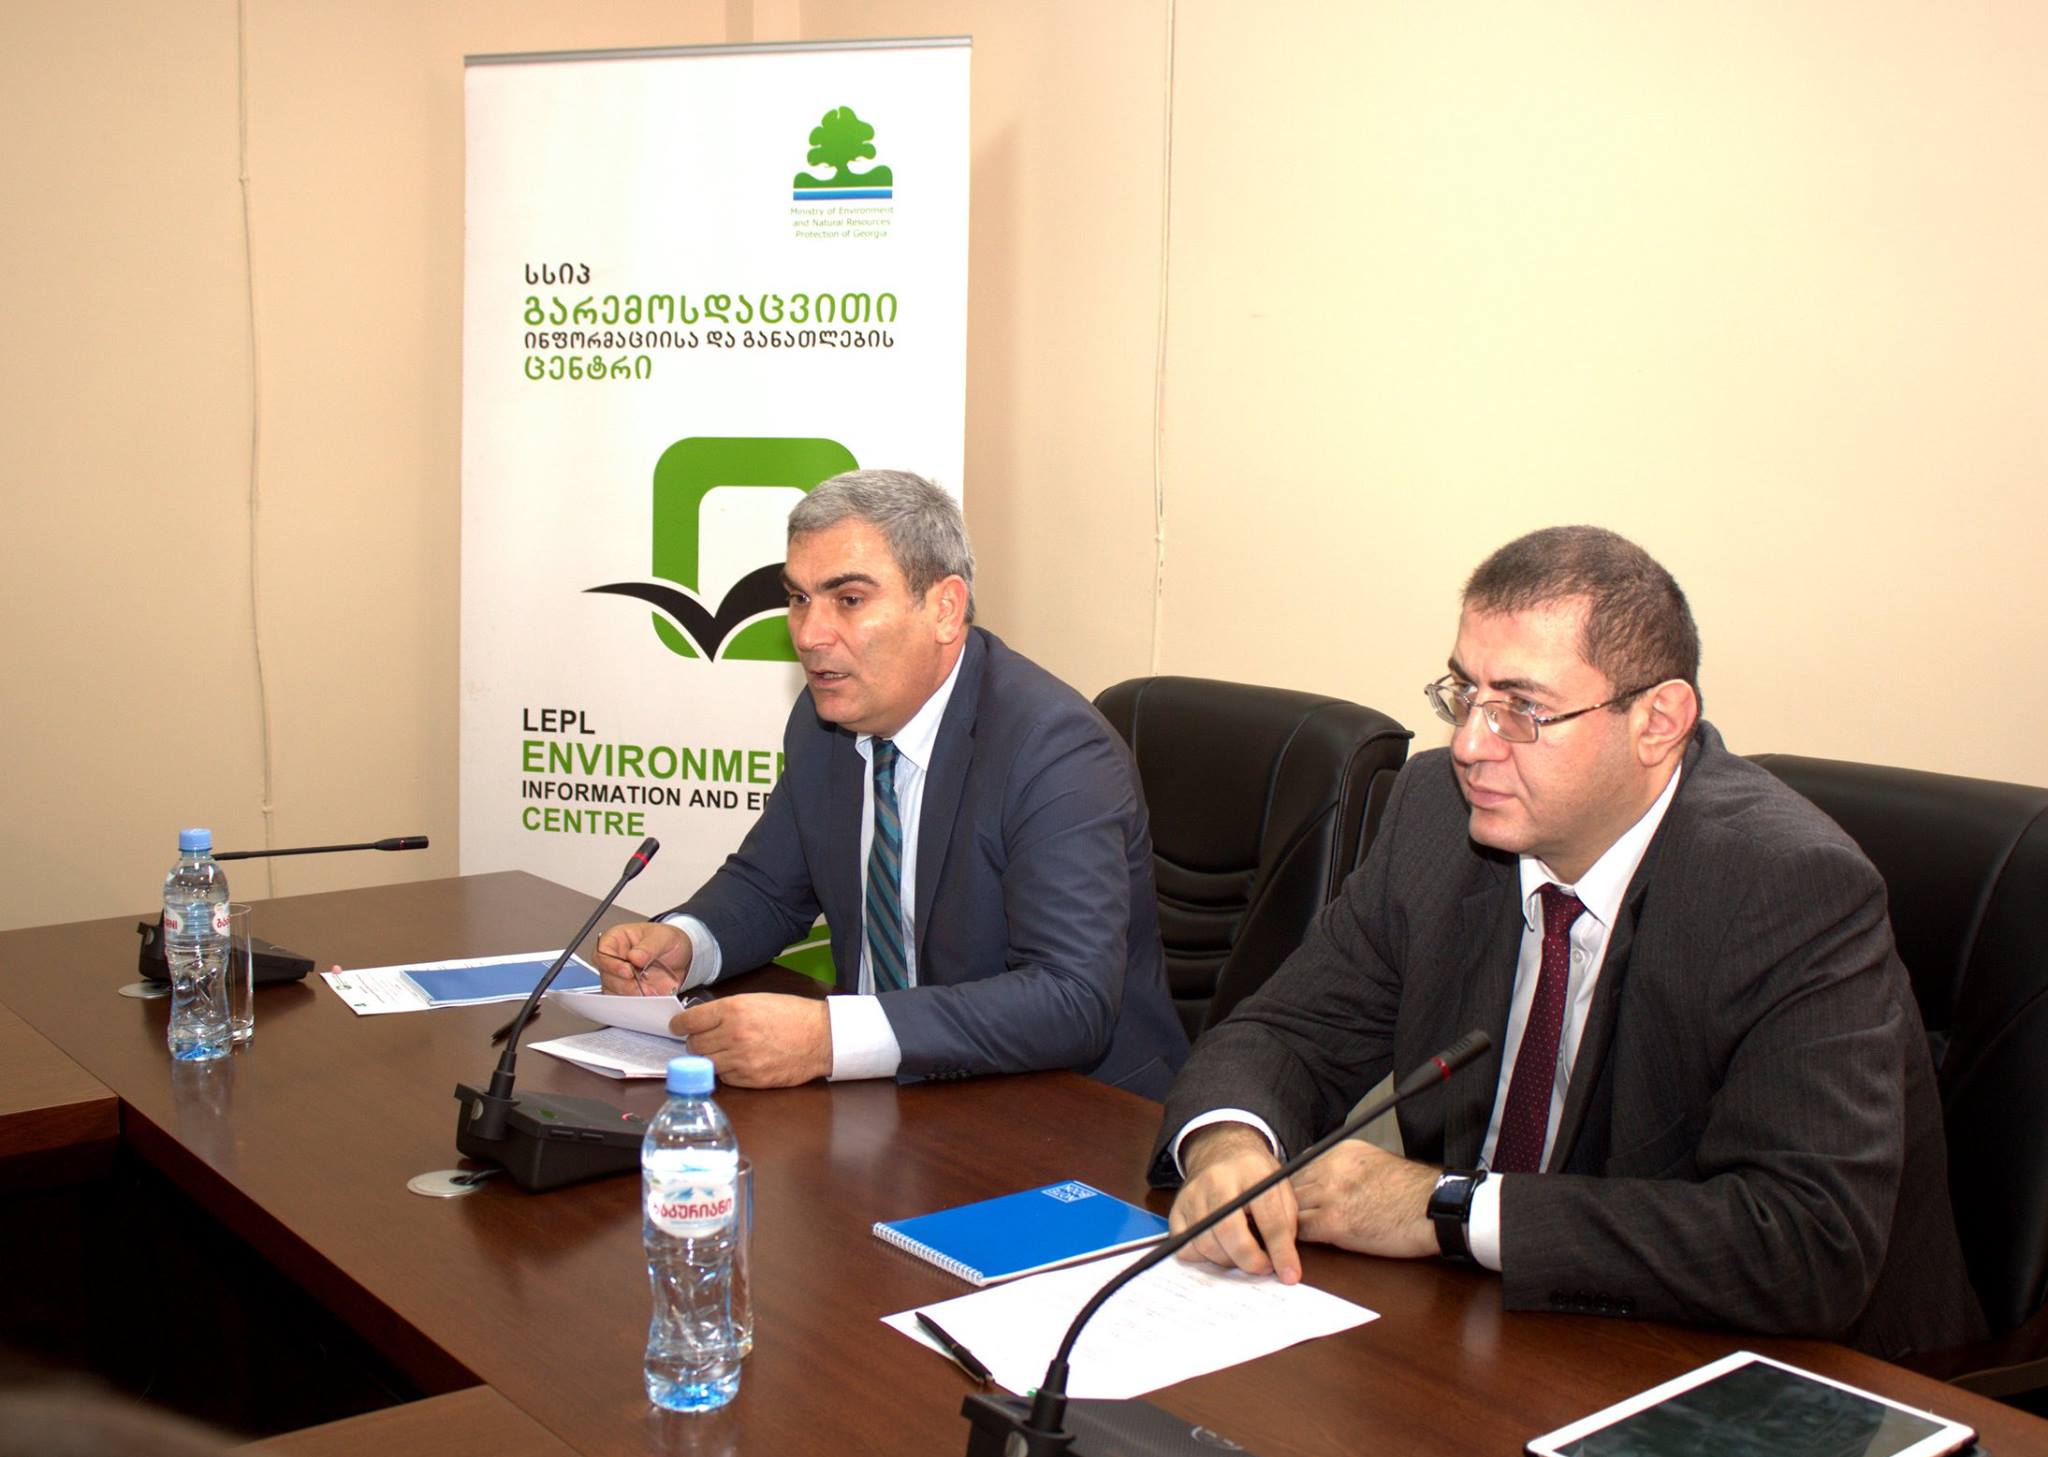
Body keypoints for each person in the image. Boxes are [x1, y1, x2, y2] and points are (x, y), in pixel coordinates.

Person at [1152, 525, 1984, 1358]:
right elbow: (1287, 1031)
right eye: (1464, 693)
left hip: (1784, 1372)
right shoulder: (1436, 814)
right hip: (1508, 1331)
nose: (1470, 746)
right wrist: (1232, 1146)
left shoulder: (1787, 888)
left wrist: (1447, 1208)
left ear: (1658, 722)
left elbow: (1805, 1240)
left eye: (1522, 709)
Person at [595, 469, 1187, 1098]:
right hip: (898, 1098)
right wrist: (686, 943)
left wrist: (829, 1036)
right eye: (798, 598)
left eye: (848, 600)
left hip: (1074, 1110)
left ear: (944, 609)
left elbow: (1069, 999)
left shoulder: (1054, 749)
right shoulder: (825, 720)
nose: (809, 635)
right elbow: (770, 889)